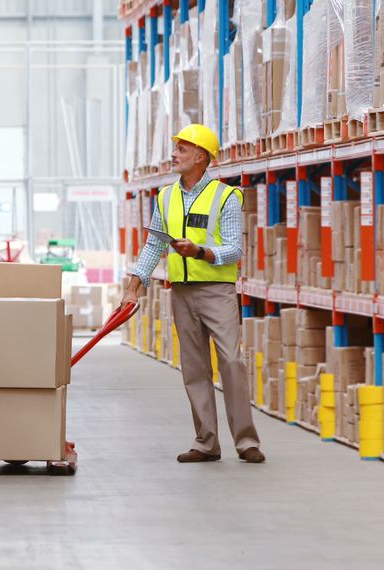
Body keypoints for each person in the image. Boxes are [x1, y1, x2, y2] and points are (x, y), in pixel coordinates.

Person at [120, 124, 264, 464]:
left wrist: (200, 251)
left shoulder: (226, 197)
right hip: (181, 292)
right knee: (194, 368)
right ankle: (206, 443)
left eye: (182, 149)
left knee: (231, 361)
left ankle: (246, 442)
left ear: (201, 157)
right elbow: (154, 244)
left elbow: (234, 249)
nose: (174, 154)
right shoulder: (166, 197)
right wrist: (134, 285)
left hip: (217, 291)